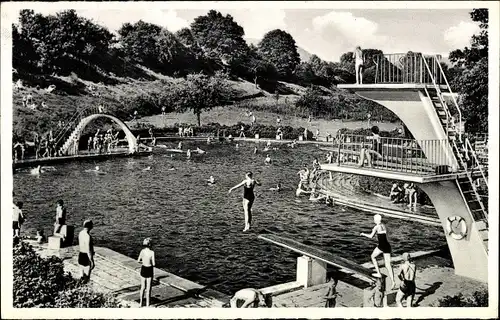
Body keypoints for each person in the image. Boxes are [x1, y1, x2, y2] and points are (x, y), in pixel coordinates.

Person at [360, 214, 396, 290]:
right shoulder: (383, 225)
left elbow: (371, 236)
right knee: (388, 265)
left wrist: (363, 234)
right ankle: (393, 281)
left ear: (376, 220)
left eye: (374, 219)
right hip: (387, 246)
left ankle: (378, 273)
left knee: (373, 257)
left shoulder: (376, 227)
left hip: (381, 246)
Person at [138, 237, 155, 307]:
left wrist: (143, 261)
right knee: (148, 288)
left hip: (143, 268)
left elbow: (138, 260)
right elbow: (154, 264)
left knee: (142, 287)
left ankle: (141, 303)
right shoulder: (152, 252)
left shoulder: (142, 251)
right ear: (150, 245)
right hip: (149, 269)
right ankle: (148, 304)